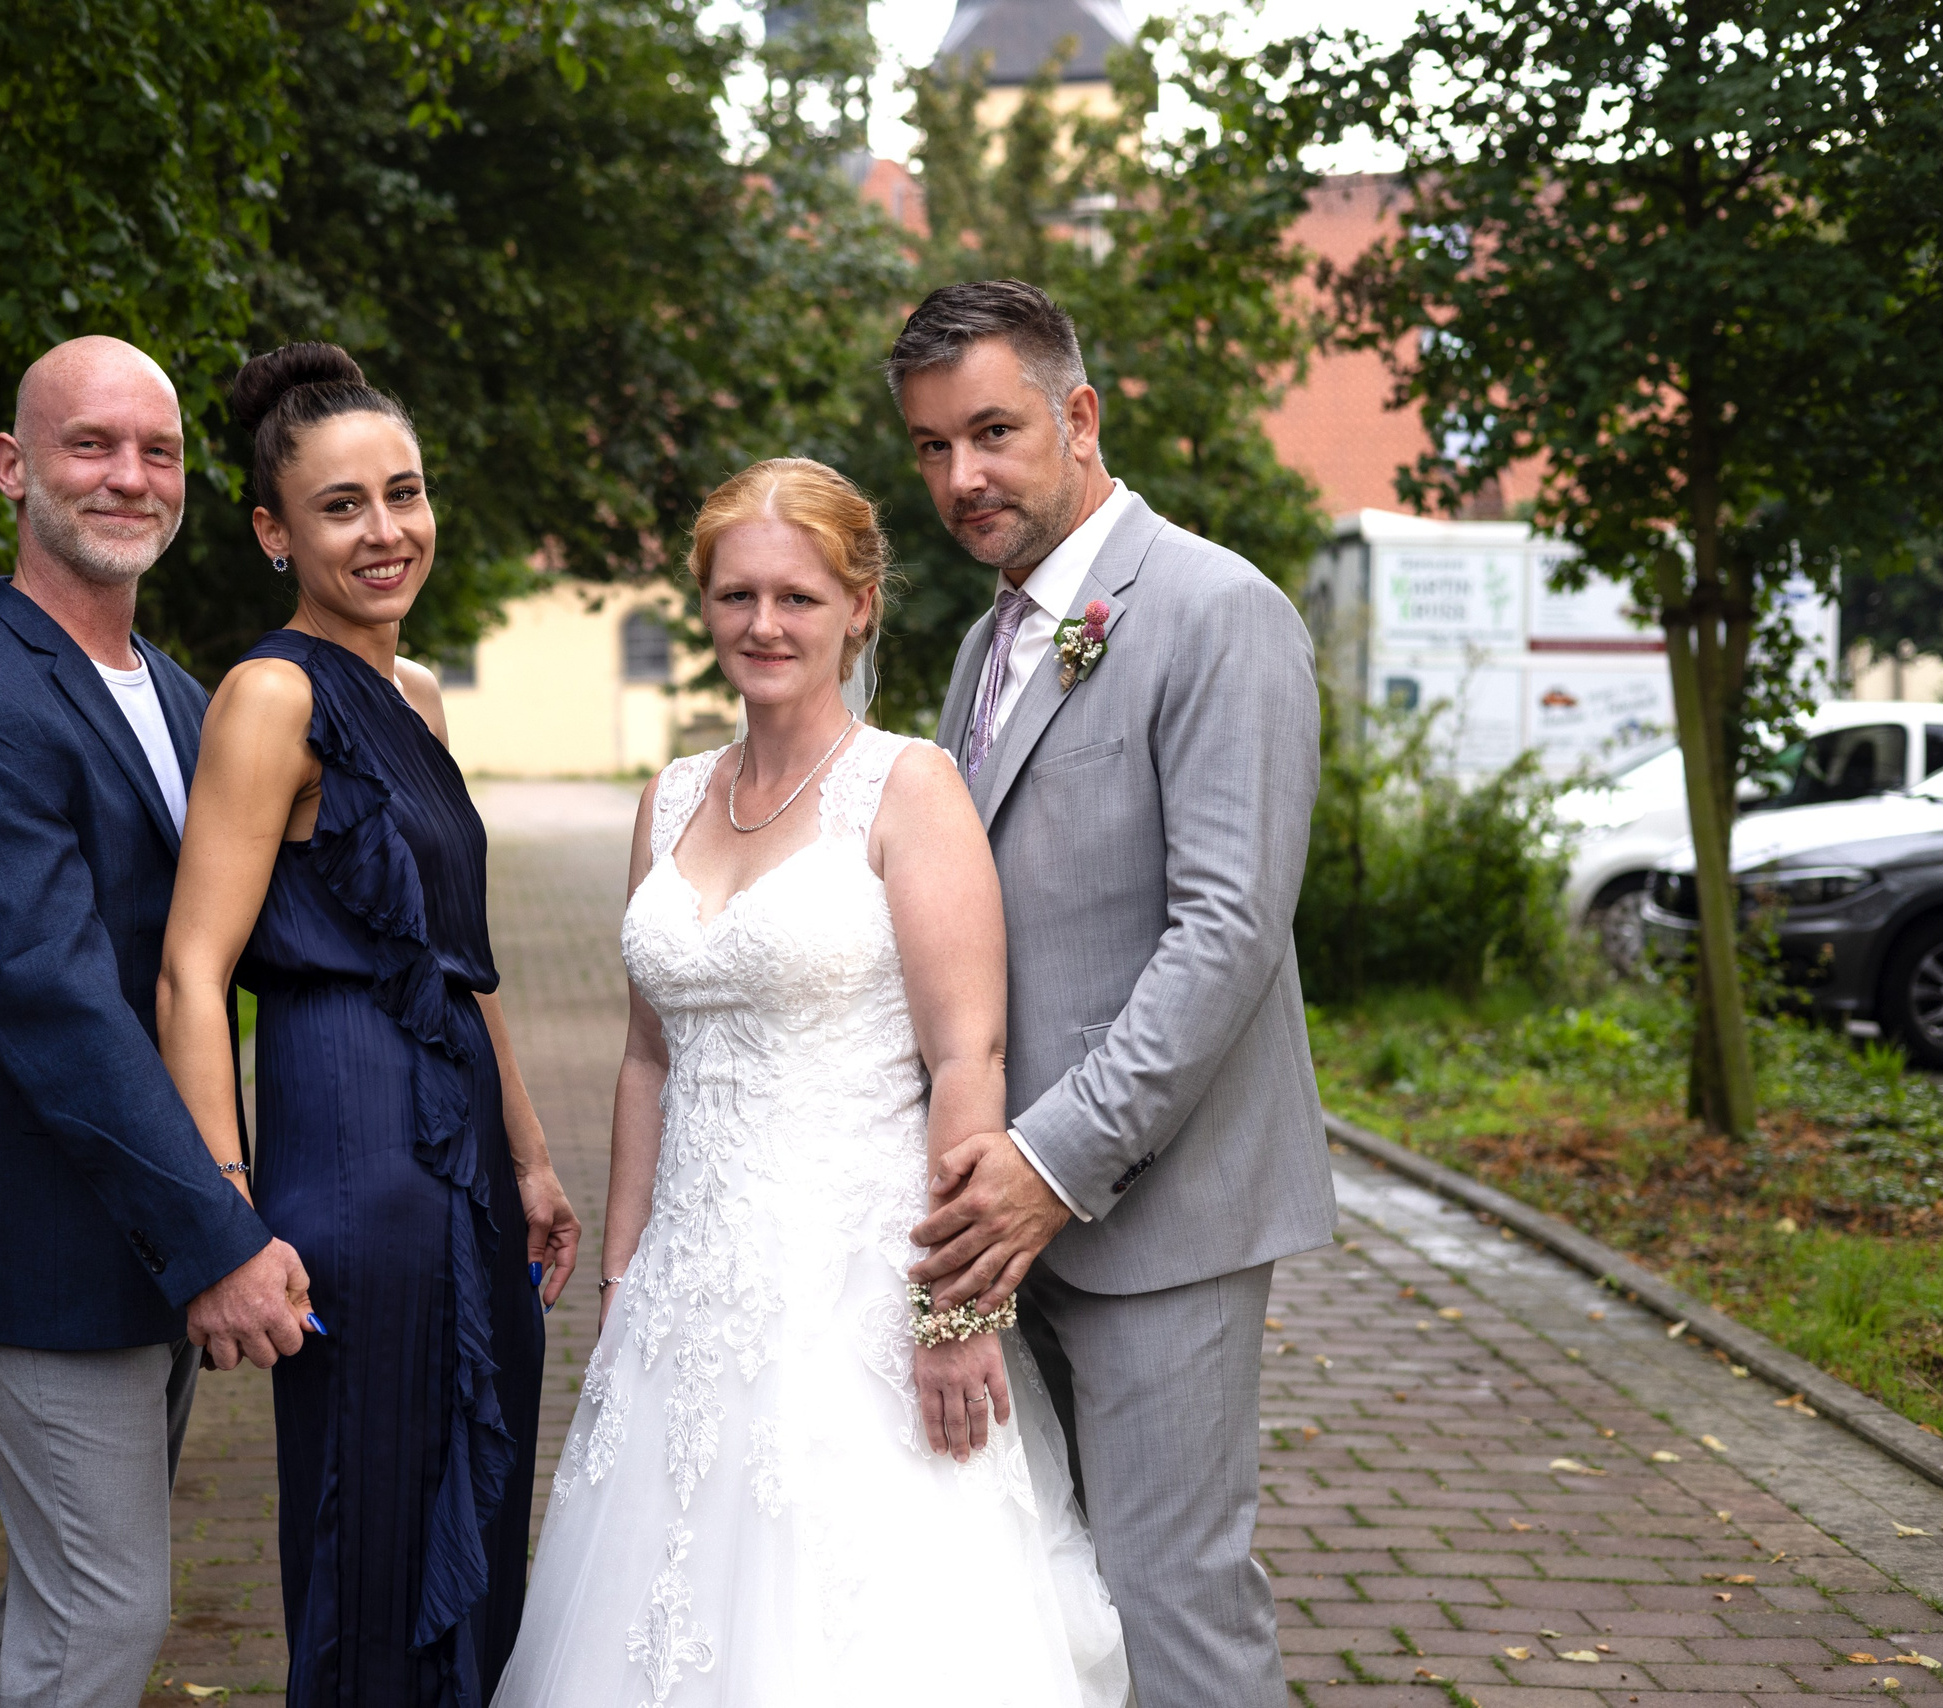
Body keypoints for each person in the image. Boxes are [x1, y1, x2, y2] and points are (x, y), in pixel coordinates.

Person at [493, 457, 1133, 1708]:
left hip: (861, 1289)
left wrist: (955, 1314)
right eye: (736, 596)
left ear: (858, 605)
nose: (764, 624)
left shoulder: (909, 788)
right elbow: (644, 1057)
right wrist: (623, 1280)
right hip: (686, 1286)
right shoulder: (670, 796)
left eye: (796, 596)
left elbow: (968, 1060)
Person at [893, 279, 1336, 1708]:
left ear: (1079, 417)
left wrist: (1050, 1162)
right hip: (1015, 1223)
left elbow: (1227, 933)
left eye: (995, 432)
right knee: (1062, 1603)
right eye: (932, 447)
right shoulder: (985, 643)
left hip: (1164, 1214)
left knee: (1173, 1601)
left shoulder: (1218, 612)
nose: (964, 476)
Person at [0, 335, 313, 1708]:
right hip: (54, 1250)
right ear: (14, 467)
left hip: (153, 1236)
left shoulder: (182, 700)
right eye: (91, 444)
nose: (129, 475)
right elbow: (51, 1005)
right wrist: (216, 1235)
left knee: (72, 1611)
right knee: (105, 1619)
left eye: (160, 451)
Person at [155, 342, 580, 1707]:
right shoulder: (269, 696)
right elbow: (190, 969)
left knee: (485, 1477)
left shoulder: (419, 696)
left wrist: (528, 1158)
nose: (386, 530)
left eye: (403, 492)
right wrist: (227, 1212)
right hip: (348, 1141)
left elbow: (466, 960)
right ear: (275, 533)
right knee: (374, 1514)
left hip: (463, 1151)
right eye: (342, 506)